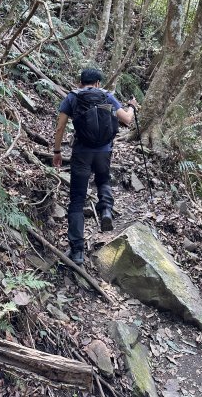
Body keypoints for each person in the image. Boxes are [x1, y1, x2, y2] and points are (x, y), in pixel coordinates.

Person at [53, 68, 138, 265]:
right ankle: (106, 210)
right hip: (103, 151)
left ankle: (77, 251)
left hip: (82, 153)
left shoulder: (72, 98)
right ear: (98, 83)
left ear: (80, 82)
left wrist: (57, 151)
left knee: (77, 199)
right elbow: (126, 119)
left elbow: (60, 127)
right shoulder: (107, 96)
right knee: (103, 179)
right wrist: (132, 106)